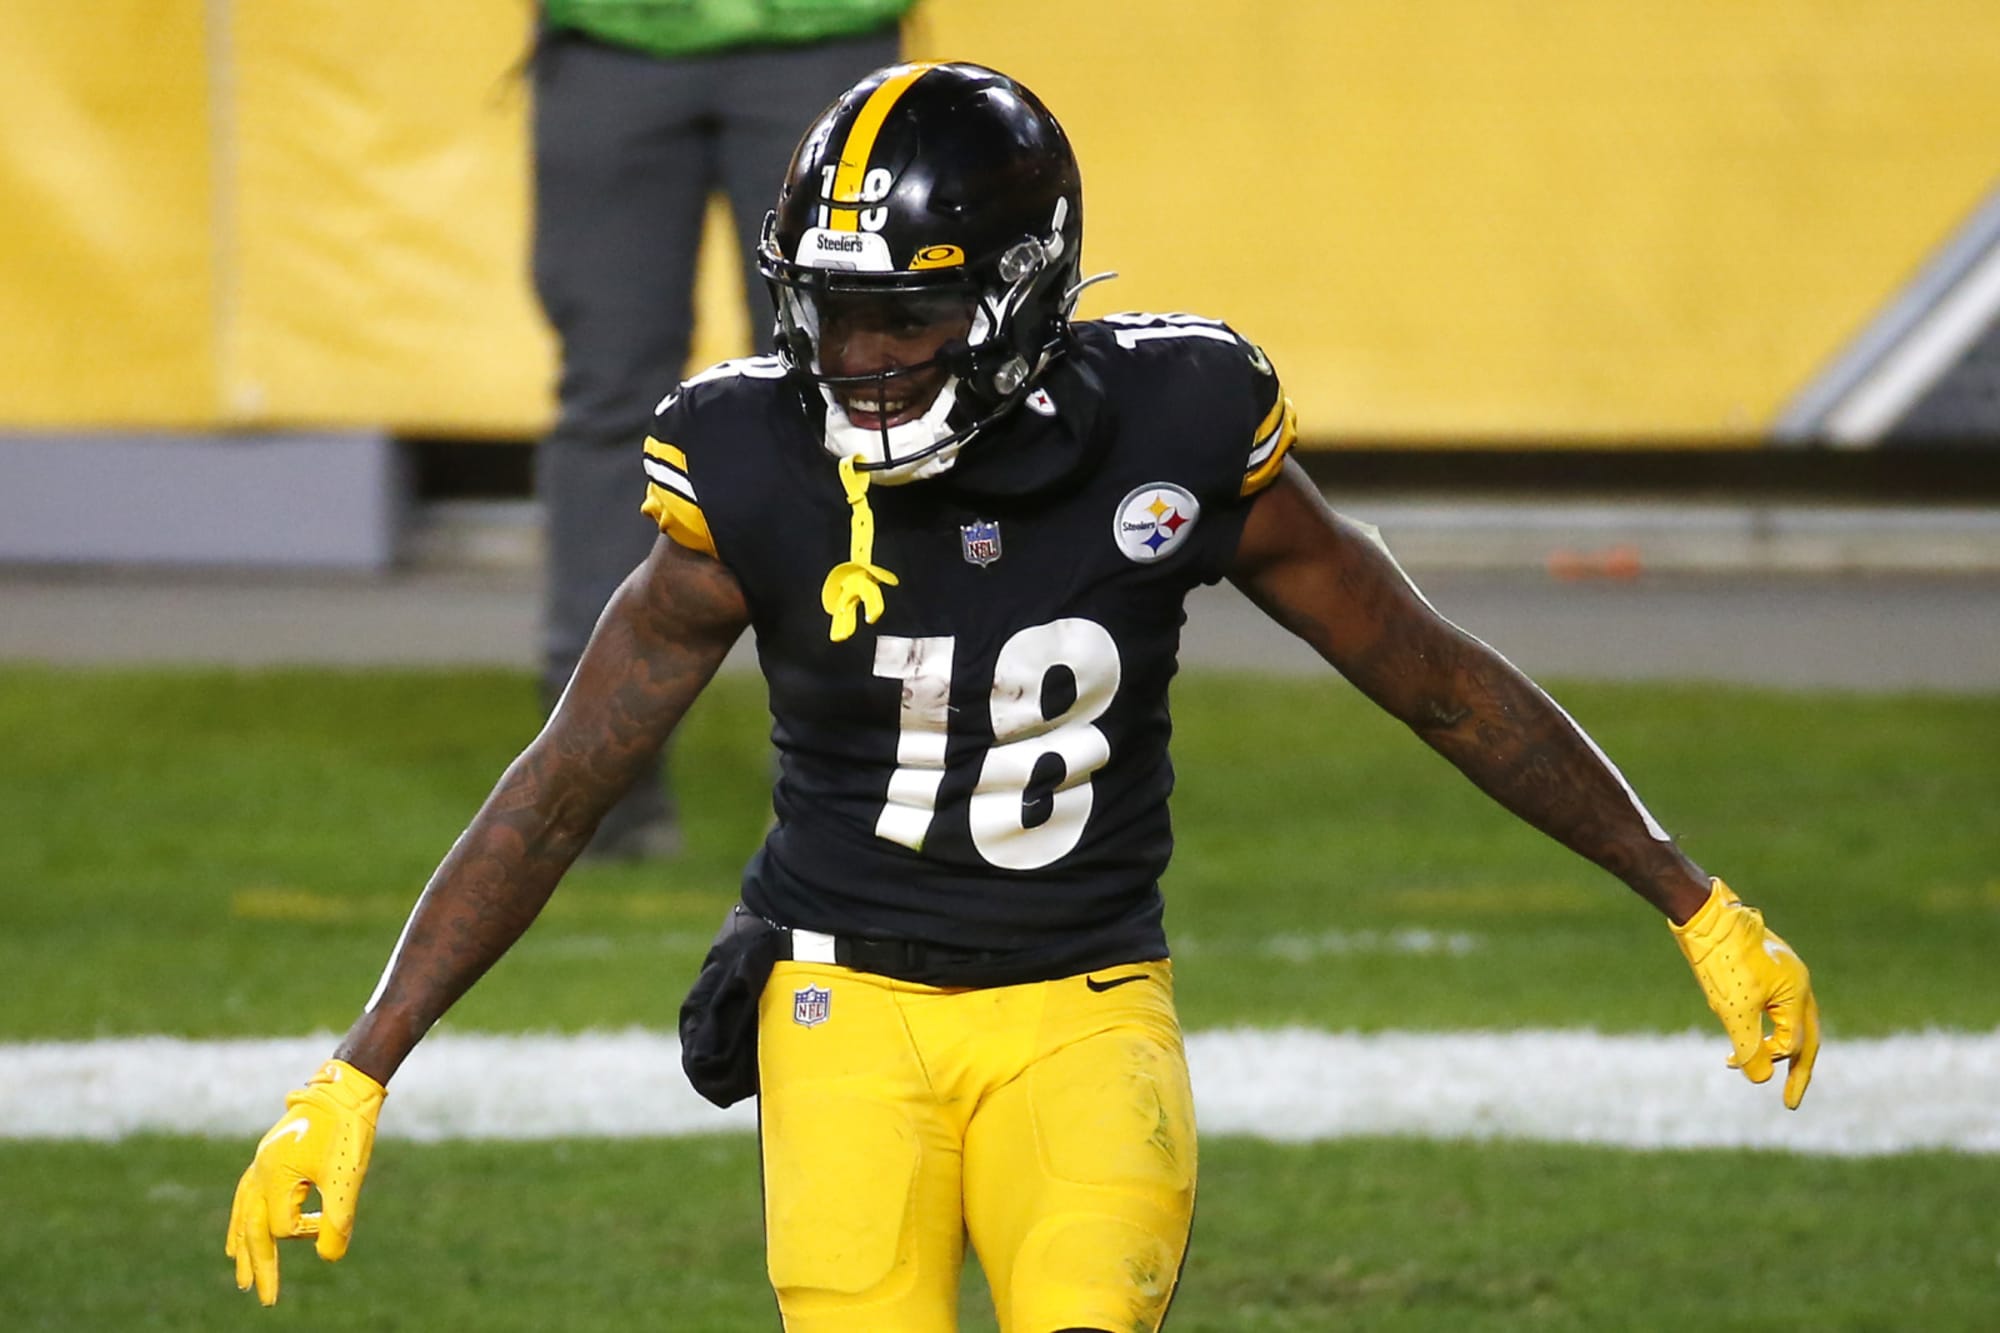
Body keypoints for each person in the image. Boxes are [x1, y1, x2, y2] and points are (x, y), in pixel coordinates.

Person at [227, 62, 1821, 1331]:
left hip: (1083, 1007)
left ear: (1022, 293)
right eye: (834, 310)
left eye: (906, 315)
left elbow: (1437, 681)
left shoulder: (1177, 426)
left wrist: (1691, 899)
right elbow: (567, 779)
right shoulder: (754, 460)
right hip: (842, 1007)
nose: (861, 356)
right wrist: (359, 1065)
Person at [531, 0, 913, 858]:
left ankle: (871, 766)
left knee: (849, 400)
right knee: (610, 406)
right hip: (612, 31)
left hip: (821, 28)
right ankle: (591, 781)